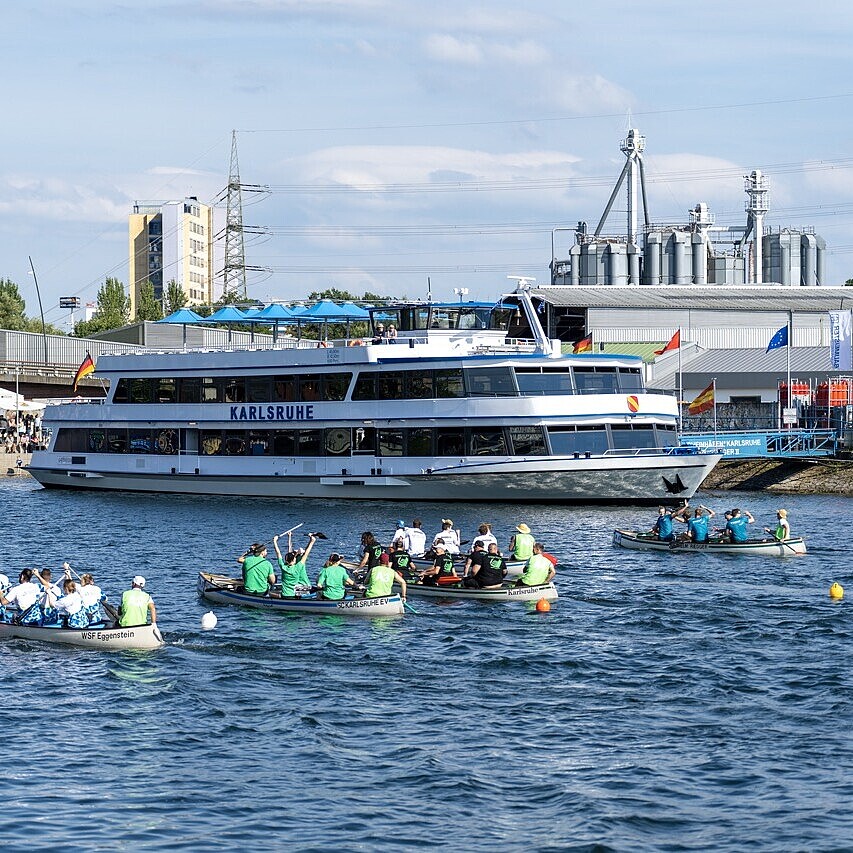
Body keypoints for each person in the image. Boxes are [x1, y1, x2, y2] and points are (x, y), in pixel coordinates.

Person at [276, 533, 317, 597]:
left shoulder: (291, 565)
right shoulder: (298, 564)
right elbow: (305, 553)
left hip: (304, 585)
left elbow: (304, 552)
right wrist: (289, 537)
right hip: (297, 587)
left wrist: (311, 541)